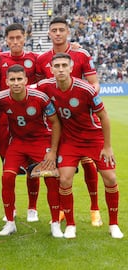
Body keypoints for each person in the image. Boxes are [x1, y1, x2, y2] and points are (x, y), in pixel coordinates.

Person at [37, 53, 123, 239]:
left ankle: (114, 224)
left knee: (110, 178)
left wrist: (107, 147)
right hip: (70, 141)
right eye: (56, 66)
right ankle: (70, 225)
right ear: (51, 69)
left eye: (64, 66)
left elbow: (104, 116)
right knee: (65, 179)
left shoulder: (86, 89)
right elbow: (26, 89)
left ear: (71, 68)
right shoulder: (46, 86)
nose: (60, 69)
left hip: (93, 139)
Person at [36, 17, 102, 226]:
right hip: (56, 121)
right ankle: (64, 210)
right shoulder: (42, 59)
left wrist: (82, 102)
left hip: (81, 118)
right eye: (53, 30)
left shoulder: (81, 54)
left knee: (88, 161)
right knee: (59, 166)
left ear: (68, 32)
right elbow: (40, 88)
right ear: (48, 33)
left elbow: (94, 84)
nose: (57, 33)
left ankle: (94, 208)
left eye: (61, 30)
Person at [0, 64, 62, 238]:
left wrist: (52, 151)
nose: (16, 83)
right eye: (12, 80)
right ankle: (10, 222)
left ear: (26, 80)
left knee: (51, 178)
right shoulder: (0, 99)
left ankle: (55, 224)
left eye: (19, 79)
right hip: (17, 143)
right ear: (6, 81)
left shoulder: (40, 98)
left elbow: (55, 122)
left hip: (40, 141)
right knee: (7, 177)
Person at [0, 23, 40, 222]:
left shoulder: (34, 59)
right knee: (7, 168)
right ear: (6, 39)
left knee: (33, 168)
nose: (14, 42)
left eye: (18, 38)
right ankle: (10, 210)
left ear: (24, 38)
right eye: (11, 38)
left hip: (31, 121)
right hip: (6, 121)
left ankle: (32, 208)